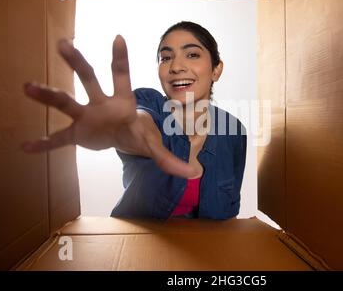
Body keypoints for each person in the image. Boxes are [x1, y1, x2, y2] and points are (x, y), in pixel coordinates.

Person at [22, 21, 247, 220]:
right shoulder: (147, 102)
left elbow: (228, 212)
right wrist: (122, 133)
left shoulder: (234, 131)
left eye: (192, 54)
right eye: (166, 58)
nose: (176, 67)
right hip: (137, 245)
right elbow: (141, 125)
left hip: (209, 250)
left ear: (216, 70)